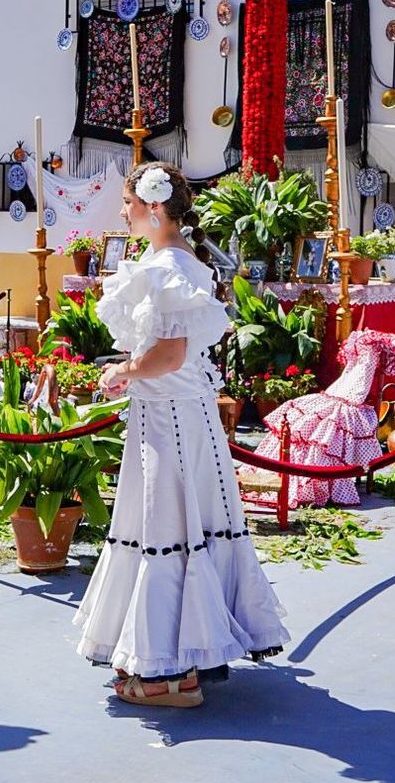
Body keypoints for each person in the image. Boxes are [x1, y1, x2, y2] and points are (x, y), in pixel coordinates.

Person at [76, 161, 289, 708]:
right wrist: (130, 370)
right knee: (180, 527)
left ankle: (171, 676)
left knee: (164, 528)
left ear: (151, 207)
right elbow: (168, 346)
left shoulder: (170, 266)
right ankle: (177, 660)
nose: (121, 213)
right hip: (175, 417)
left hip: (171, 422)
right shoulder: (173, 263)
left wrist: (124, 372)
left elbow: (169, 355)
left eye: (127, 203)